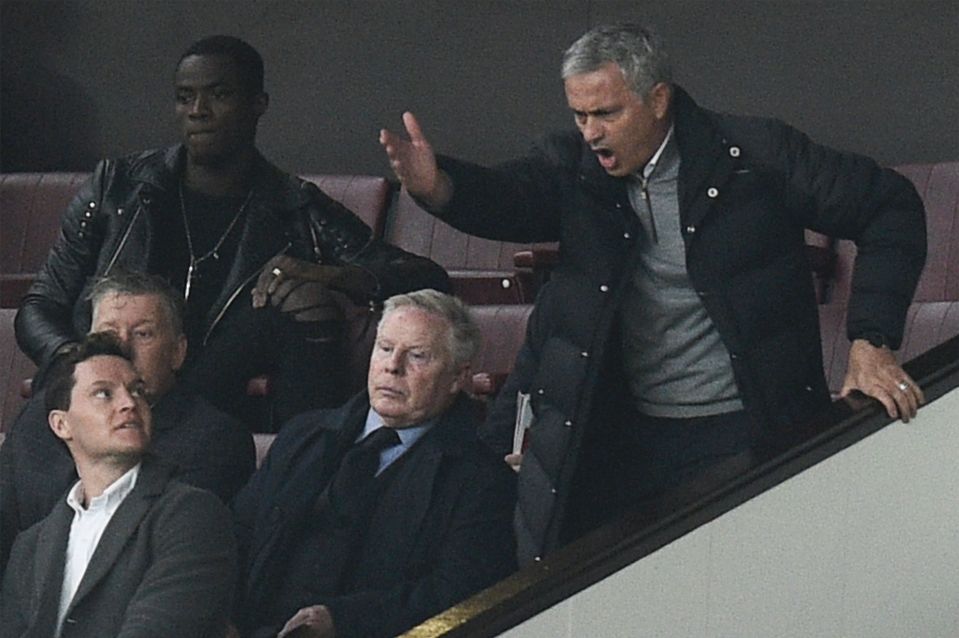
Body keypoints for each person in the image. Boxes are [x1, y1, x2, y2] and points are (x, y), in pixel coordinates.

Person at [380, 23, 927, 561]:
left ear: (658, 98)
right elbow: (510, 196)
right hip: (623, 434)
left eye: (607, 114)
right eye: (579, 115)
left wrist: (871, 340)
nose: (591, 132)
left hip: (745, 430)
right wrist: (440, 187)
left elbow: (890, 208)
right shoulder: (574, 167)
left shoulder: (754, 156)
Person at [14, 35, 449, 430]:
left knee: (304, 304)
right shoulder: (118, 188)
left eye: (217, 95)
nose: (198, 111)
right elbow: (39, 307)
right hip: (105, 383)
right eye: (185, 98)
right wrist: (77, 363)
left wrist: (331, 276)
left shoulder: (295, 206)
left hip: (208, 399)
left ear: (257, 104)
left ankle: (303, 471)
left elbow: (424, 277)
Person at [231, 290, 516, 638]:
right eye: (384, 348)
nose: (392, 366)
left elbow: (458, 595)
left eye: (417, 356)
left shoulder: (481, 481)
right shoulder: (303, 435)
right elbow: (235, 535)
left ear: (458, 377)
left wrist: (343, 620)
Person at [1, 270, 254, 574]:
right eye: (107, 333)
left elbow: (153, 554)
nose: (122, 347)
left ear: (177, 352)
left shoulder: (215, 439)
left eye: (143, 334)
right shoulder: (41, 415)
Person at [0, 333, 236, 637]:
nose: (129, 403)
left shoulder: (191, 514)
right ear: (61, 424)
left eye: (137, 391)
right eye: (103, 394)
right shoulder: (32, 544)